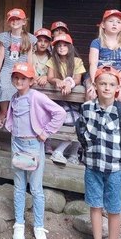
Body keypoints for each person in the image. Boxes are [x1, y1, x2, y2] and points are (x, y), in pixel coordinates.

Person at [5, 62, 66, 239]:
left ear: (31, 81)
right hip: (17, 144)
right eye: (16, 77)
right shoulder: (14, 97)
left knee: (36, 188)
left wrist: (45, 133)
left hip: (33, 145)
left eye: (23, 78)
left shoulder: (36, 96)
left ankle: (39, 226)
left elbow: (59, 113)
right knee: (19, 186)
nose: (19, 80)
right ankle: (19, 223)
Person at [80, 66, 121, 239]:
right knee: (95, 205)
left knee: (114, 207)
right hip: (92, 166)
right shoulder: (87, 109)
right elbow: (81, 134)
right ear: (95, 85)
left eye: (111, 84)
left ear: (117, 88)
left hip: (115, 167)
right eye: (102, 83)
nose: (106, 88)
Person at [46, 33, 86, 165]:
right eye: (58, 46)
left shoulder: (77, 61)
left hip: (74, 101)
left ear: (70, 47)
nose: (61, 48)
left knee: (79, 122)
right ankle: (58, 151)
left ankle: (73, 153)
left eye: (64, 45)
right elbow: (50, 77)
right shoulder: (52, 61)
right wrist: (57, 80)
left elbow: (78, 79)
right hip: (58, 100)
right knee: (67, 120)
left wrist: (69, 83)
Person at [0, 8, 34, 130]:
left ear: (24, 22)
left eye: (18, 19)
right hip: (8, 68)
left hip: (23, 69)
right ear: (8, 22)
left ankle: (17, 114)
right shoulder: (5, 37)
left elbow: (30, 58)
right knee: (4, 86)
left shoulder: (29, 38)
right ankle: (3, 112)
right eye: (12, 19)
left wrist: (32, 73)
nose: (15, 22)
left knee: (22, 88)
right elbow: (0, 56)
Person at [86, 10, 121, 105]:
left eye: (118, 22)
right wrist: (93, 81)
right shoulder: (96, 42)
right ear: (103, 25)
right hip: (97, 74)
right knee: (91, 95)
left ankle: (118, 118)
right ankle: (92, 118)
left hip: (118, 76)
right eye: (111, 21)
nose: (114, 24)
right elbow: (93, 64)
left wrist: (115, 79)